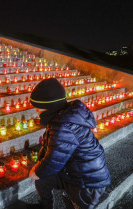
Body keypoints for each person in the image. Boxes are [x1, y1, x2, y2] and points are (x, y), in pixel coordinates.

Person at [28, 78, 111, 209]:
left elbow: (54, 159)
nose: (37, 110)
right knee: (42, 180)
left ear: (49, 106)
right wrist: (40, 167)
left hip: (87, 181)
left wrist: (37, 171)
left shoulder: (63, 126)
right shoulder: (62, 116)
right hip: (73, 170)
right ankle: (45, 206)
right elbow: (53, 149)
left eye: (38, 107)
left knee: (74, 204)